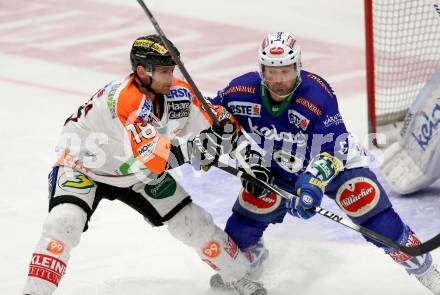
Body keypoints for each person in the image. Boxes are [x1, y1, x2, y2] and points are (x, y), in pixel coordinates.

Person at [22, 34, 267, 295]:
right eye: (163, 72)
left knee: (191, 222)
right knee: (64, 222)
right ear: (142, 71)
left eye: (171, 70)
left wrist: (250, 161)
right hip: (85, 166)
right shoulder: (127, 100)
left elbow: (223, 124)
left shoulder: (178, 94)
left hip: (135, 173)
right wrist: (198, 149)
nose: (170, 78)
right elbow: (155, 159)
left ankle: (239, 275)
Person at [208, 32, 440, 294]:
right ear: (261, 70)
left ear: (298, 67)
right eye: (272, 72)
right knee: (241, 230)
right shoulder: (241, 91)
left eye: (286, 71)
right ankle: (252, 263)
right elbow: (213, 113)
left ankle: (429, 275)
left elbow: (333, 149)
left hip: (337, 166)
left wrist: (311, 184)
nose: (279, 81)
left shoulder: (316, 94)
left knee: (371, 209)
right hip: (278, 168)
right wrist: (208, 137)